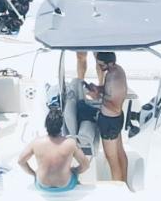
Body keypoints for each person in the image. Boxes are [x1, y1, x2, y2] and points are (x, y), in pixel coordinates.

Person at [18, 106, 90, 192]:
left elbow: (20, 161)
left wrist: (33, 173)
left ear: (46, 125)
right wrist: (75, 171)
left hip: (42, 185)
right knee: (73, 174)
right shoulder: (71, 143)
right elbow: (85, 165)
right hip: (65, 185)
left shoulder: (36, 142)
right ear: (61, 126)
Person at [88, 50, 130, 183]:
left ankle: (118, 189)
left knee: (112, 159)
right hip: (114, 120)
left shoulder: (115, 80)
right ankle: (124, 182)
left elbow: (115, 106)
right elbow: (108, 90)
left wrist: (97, 96)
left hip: (109, 122)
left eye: (102, 65)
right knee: (120, 152)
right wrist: (98, 88)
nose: (100, 68)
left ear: (110, 63)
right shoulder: (114, 71)